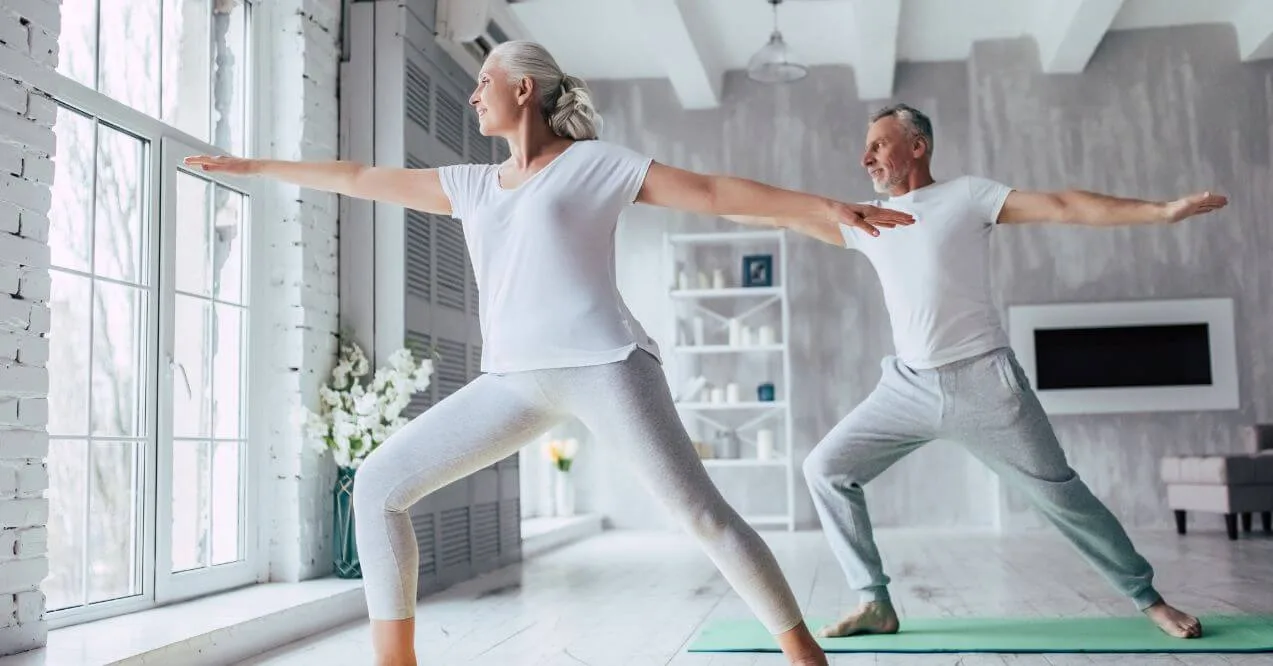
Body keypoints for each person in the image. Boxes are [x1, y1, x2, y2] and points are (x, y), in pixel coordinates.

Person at [188, 41, 914, 666]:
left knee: (702, 517)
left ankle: (804, 657)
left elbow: (711, 189)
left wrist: (823, 207)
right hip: (512, 383)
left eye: (483, 83)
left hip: (606, 366)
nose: (474, 95)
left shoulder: (593, 164)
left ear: (522, 88)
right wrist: (254, 166)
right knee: (378, 486)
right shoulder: (472, 185)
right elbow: (356, 177)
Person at [738, 103, 1225, 642]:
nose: (865, 156)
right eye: (867, 147)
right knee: (824, 469)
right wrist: (701, 203)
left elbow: (1064, 205)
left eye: (878, 144)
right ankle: (874, 602)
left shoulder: (966, 196)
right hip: (906, 387)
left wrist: (1162, 212)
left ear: (917, 146)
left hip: (986, 384)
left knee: (1062, 496)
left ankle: (1148, 598)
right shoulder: (864, 220)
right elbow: (778, 214)